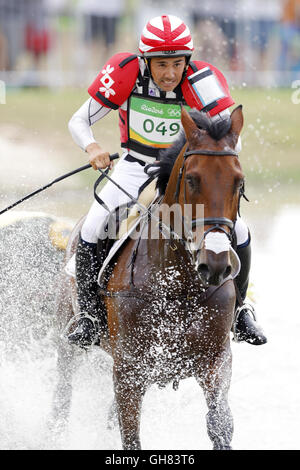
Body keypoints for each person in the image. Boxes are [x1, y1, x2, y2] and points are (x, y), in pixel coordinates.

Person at [67, 14, 267, 348]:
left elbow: (234, 139)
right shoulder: (125, 71)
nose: (170, 74)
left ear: (187, 61)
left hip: (186, 172)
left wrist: (207, 154)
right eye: (161, 65)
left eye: (177, 64)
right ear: (145, 60)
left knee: (241, 231)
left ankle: (241, 310)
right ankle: (88, 316)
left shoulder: (202, 80)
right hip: (135, 166)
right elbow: (78, 121)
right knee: (94, 225)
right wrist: (93, 147)